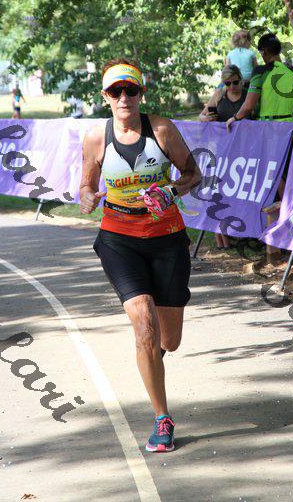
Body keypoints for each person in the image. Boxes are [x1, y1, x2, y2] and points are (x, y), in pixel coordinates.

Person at [80, 59, 201, 453]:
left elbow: (194, 174)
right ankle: (162, 418)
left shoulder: (161, 130)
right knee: (144, 325)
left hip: (166, 239)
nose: (124, 98)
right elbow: (86, 186)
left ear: (140, 93)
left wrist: (172, 191)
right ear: (105, 97)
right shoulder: (96, 139)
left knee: (170, 339)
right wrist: (88, 198)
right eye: (115, 91)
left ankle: (152, 357)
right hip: (119, 240)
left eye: (130, 90)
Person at [200, 64, 250, 250]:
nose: (232, 87)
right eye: (227, 83)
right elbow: (202, 116)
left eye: (235, 82)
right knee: (221, 191)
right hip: (223, 149)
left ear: (241, 79)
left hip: (246, 149)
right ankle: (223, 237)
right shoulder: (219, 95)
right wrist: (207, 119)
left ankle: (242, 232)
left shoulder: (248, 95)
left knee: (242, 191)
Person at [226, 33, 293, 131]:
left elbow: (249, 106)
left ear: (264, 51)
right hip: (289, 128)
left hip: (266, 128)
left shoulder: (260, 72)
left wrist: (235, 118)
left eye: (260, 52)